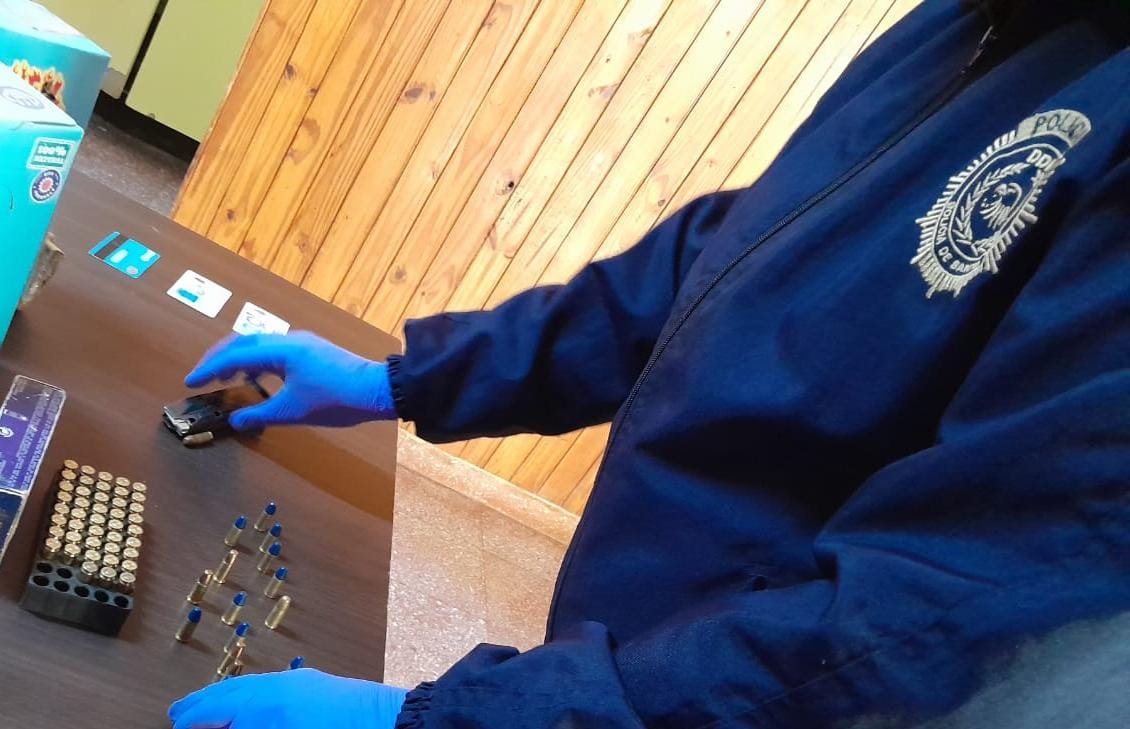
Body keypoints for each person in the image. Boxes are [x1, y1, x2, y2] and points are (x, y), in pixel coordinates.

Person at [167, 0, 1129, 727]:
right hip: (630, 650)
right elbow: (718, 265)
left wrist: (453, 718)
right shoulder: (965, 24)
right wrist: (403, 379)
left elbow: (953, 610)